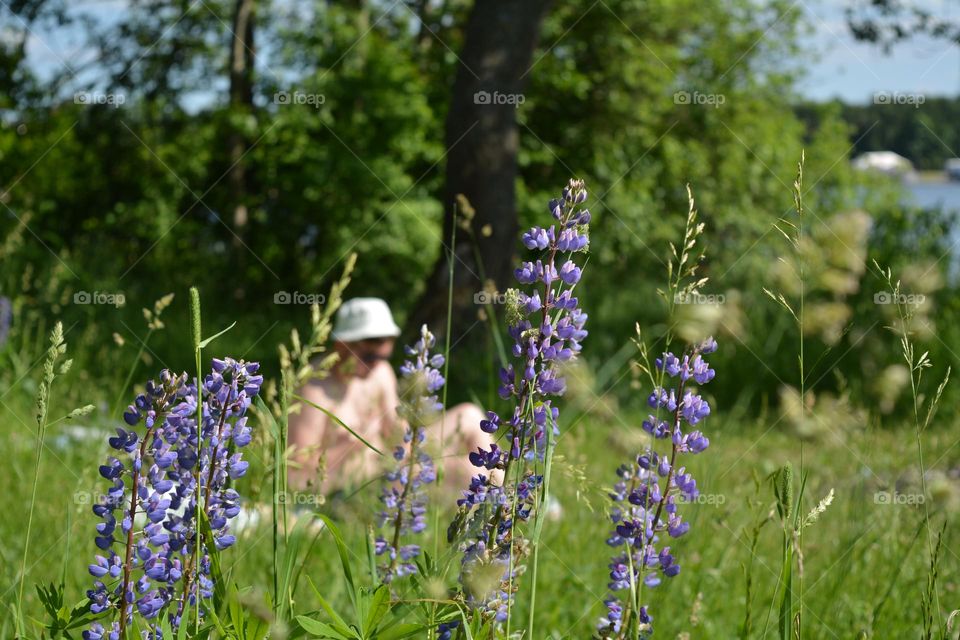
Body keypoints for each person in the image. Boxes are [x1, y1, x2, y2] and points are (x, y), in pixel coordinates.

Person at [288, 297, 491, 496]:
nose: (376, 364)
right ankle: (499, 506)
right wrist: (352, 445)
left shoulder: (380, 372)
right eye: (369, 357)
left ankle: (506, 504)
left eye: (383, 356)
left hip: (394, 458)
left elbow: (394, 427)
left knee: (470, 415)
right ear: (342, 344)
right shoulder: (313, 389)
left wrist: (407, 438)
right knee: (472, 473)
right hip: (363, 481)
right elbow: (295, 473)